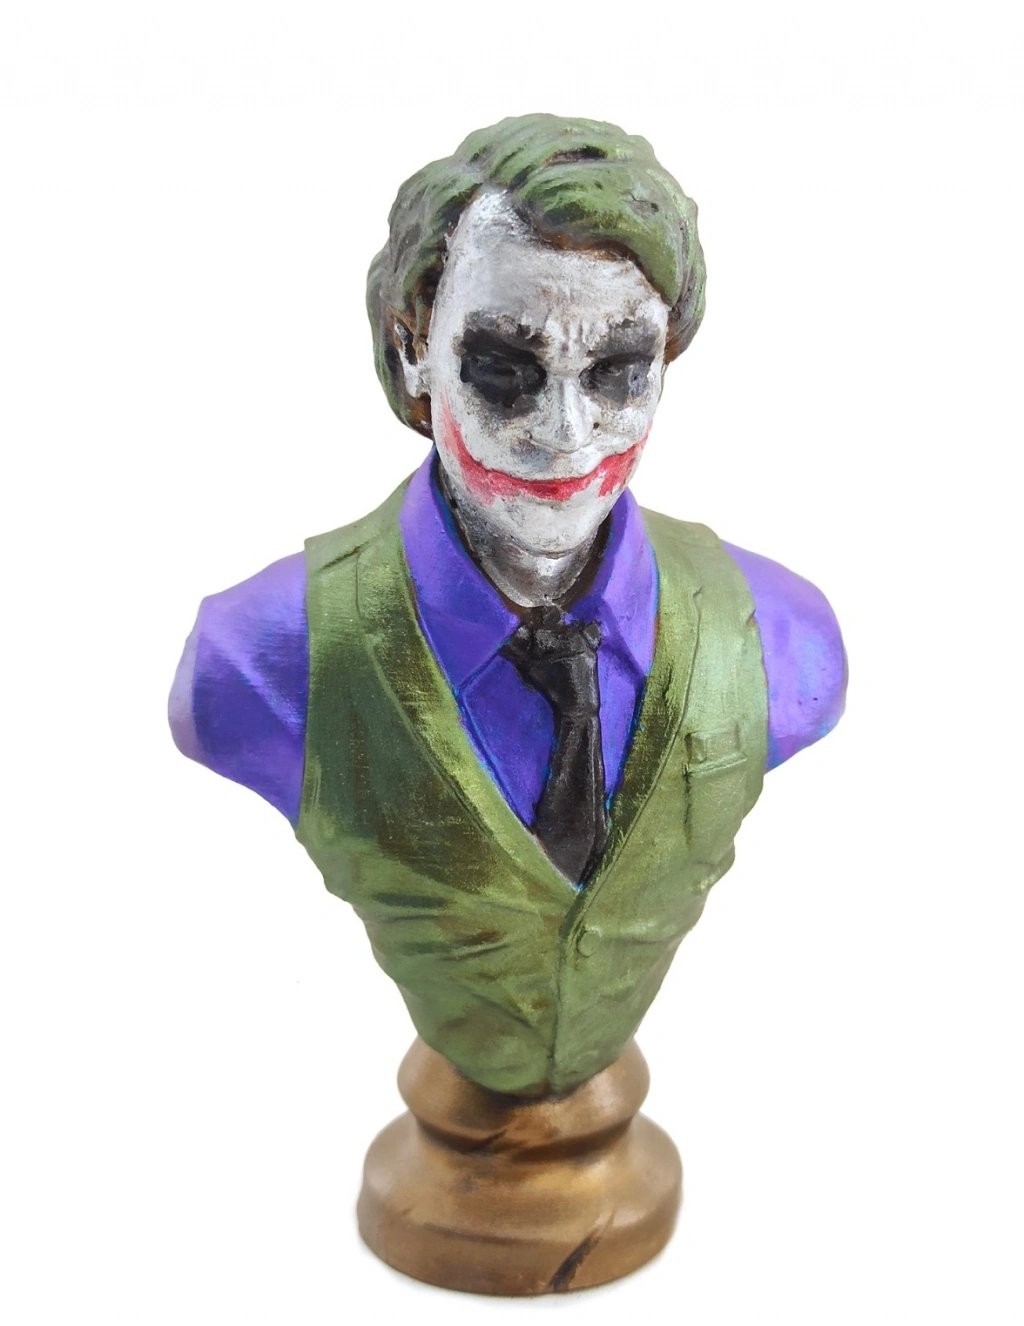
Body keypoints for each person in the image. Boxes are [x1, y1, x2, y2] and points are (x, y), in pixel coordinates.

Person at [169, 114, 846, 1099]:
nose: (566, 435)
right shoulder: (257, 659)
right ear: (414, 351)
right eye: (503, 372)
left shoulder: (782, 639)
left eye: (617, 372)